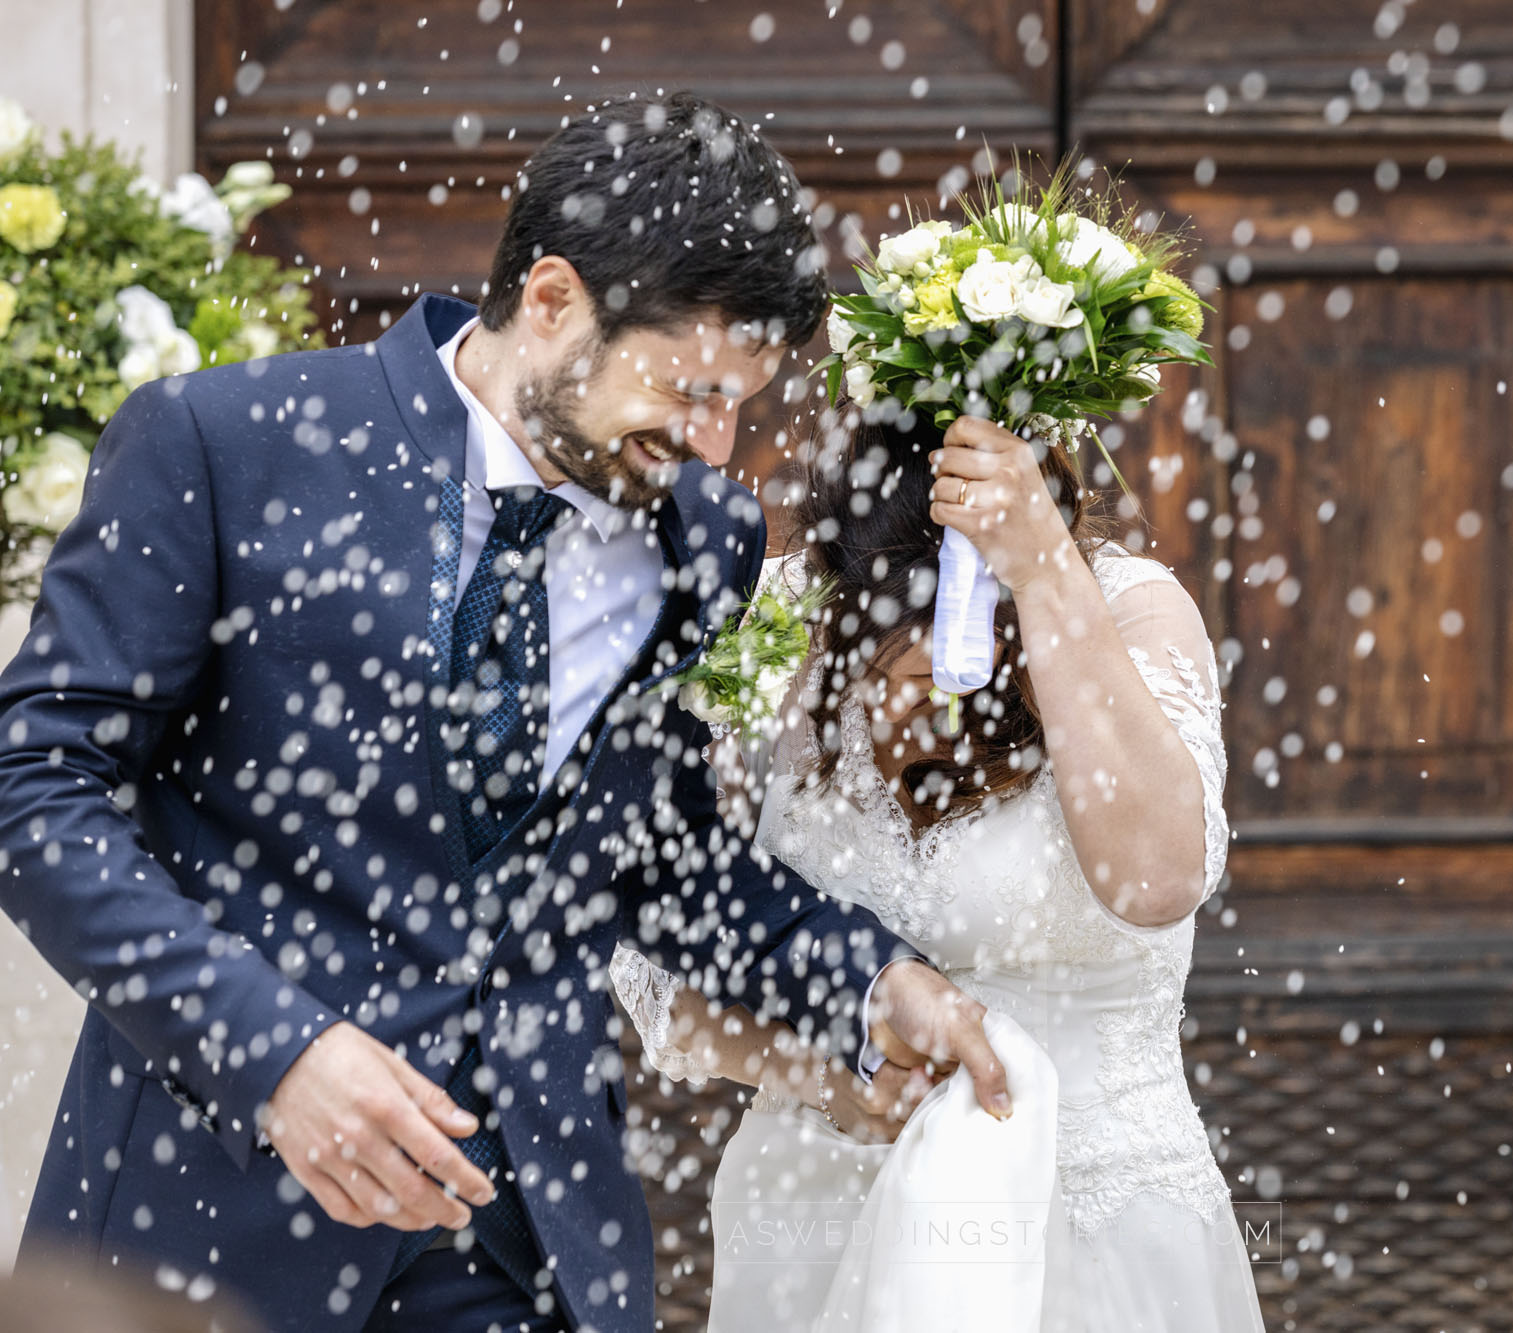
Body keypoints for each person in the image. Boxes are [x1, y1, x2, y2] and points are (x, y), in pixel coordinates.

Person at [0, 94, 1008, 1333]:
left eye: (739, 401)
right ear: (550, 300)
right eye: (689, 388)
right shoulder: (223, 444)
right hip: (210, 1233)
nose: (711, 442)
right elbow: (35, 788)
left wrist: (864, 979)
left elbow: (653, 858)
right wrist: (272, 1051)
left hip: (524, 1246)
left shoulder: (700, 540)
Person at [610, 402, 1266, 1330]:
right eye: (892, 631)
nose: (938, 663)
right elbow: (654, 938)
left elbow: (1156, 882)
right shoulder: (779, 623)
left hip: (1090, 1227)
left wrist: (1042, 576)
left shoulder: (1129, 611)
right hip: (814, 1211)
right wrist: (833, 1070)